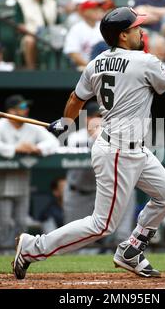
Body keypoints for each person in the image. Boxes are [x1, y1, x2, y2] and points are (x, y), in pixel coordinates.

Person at [12, 6, 165, 279]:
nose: (141, 31)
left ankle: (132, 249)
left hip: (134, 149)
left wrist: (65, 124)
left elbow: (76, 100)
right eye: (135, 28)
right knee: (102, 225)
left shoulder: (96, 62)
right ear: (123, 35)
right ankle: (32, 247)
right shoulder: (144, 61)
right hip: (117, 151)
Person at [0, 94, 60, 250]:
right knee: (3, 225)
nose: (26, 110)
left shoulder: (31, 125)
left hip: (22, 181)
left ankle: (21, 257)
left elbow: (53, 142)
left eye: (26, 107)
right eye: (22, 107)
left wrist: (37, 148)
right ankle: (1, 260)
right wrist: (16, 148)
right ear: (11, 111)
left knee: (22, 225)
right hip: (2, 182)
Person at [63, 101, 136, 244]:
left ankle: (122, 245)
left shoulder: (113, 135)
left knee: (128, 192)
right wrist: (94, 136)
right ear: (86, 119)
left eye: (104, 116)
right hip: (79, 193)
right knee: (74, 238)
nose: (102, 120)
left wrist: (101, 135)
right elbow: (89, 153)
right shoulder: (75, 137)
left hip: (101, 193)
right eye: (97, 116)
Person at [16, 0, 58, 69]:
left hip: (50, 34)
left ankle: (57, 71)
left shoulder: (52, 2)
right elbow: (20, 25)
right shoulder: (21, 1)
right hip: (31, 34)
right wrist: (32, 32)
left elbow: (57, 23)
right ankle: (31, 70)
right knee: (29, 41)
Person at [63, 0, 104, 71]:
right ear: (84, 12)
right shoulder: (76, 28)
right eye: (93, 9)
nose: (97, 11)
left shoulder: (103, 26)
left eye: (98, 8)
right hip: (84, 68)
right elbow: (73, 53)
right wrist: (90, 67)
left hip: (103, 66)